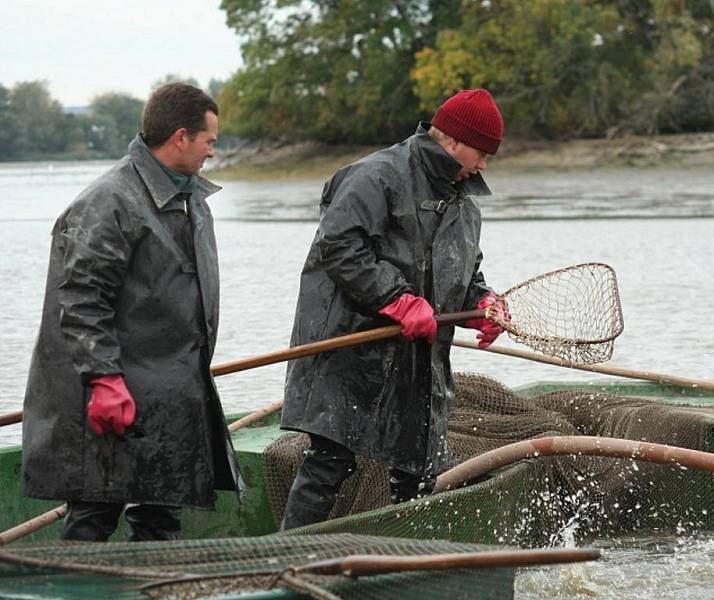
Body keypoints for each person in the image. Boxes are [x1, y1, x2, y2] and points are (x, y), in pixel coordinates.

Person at [22, 82, 245, 542]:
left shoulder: (189, 198)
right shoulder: (109, 202)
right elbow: (81, 300)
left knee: (161, 518)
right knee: (94, 515)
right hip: (111, 397)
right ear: (181, 137)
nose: (212, 152)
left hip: (166, 395)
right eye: (210, 141)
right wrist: (104, 379)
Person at [280, 88, 507, 529]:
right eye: (481, 153)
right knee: (331, 460)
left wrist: (482, 302)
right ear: (454, 141)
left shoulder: (466, 203)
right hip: (349, 347)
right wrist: (396, 299)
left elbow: (465, 271)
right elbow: (339, 246)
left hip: (418, 357)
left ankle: (407, 564)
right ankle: (285, 558)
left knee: (419, 471)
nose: (483, 166)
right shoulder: (375, 176)